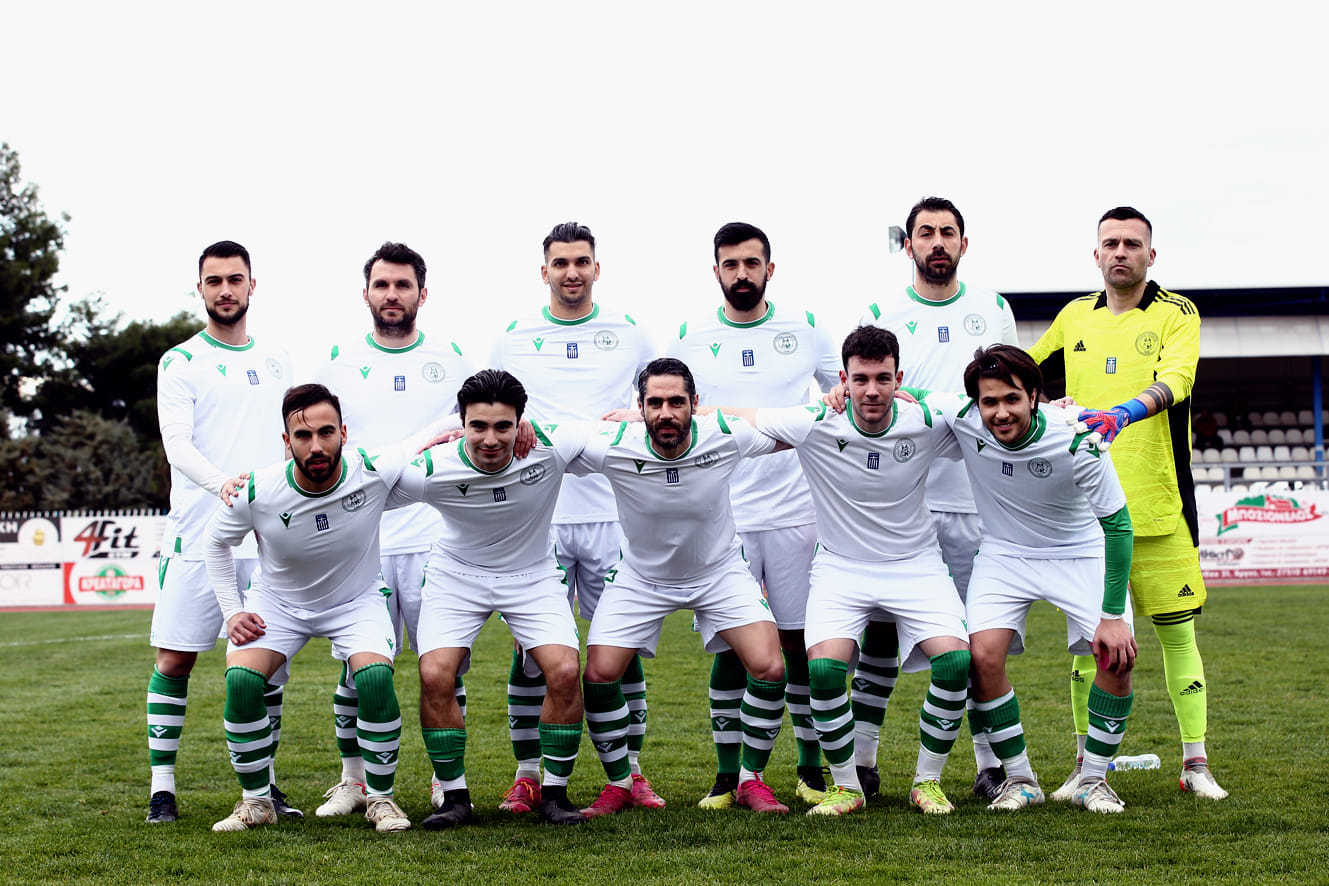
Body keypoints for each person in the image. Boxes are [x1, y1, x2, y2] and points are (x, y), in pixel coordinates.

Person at [1029, 206, 1227, 800]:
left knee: (1177, 638)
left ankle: (1196, 764)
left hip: (1159, 506)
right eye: (1111, 243)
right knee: (1088, 647)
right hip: (1087, 515)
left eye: (1132, 243)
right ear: (1096, 255)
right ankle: (1086, 765)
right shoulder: (1073, 316)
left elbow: (1178, 380)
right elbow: (1020, 374)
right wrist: (1041, 404)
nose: (1121, 252)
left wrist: (1123, 413)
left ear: (1150, 254)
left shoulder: (1177, 312)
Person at [735, 326, 972, 816]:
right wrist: (648, 416)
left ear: (899, 379)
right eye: (860, 379)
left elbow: (993, 404)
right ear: (843, 379)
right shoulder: (817, 419)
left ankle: (927, 782)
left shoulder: (926, 414)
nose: (871, 390)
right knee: (823, 669)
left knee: (954, 663)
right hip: (841, 568)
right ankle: (847, 787)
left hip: (916, 564)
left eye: (883, 378)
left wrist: (1059, 409)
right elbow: (740, 417)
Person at [668, 222, 841, 807]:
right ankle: (727, 775)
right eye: (730, 264)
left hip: (797, 512)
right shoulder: (691, 335)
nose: (741, 273)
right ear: (715, 270)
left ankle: (811, 770)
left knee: (798, 643)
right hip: (725, 516)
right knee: (730, 645)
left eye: (751, 263)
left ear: (770, 268)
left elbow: (843, 394)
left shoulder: (806, 327)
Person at [922, 345, 1137, 813]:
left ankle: (1093, 780)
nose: (1000, 412)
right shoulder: (963, 417)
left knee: (1116, 657)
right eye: (990, 402)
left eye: (1012, 399)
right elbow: (905, 397)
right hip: (1005, 554)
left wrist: (1113, 616)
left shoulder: (1079, 437)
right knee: (982, 657)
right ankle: (1020, 780)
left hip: (1079, 552)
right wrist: (843, 393)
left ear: (1035, 396)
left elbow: (1119, 527)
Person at [853, 197, 1019, 800]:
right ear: (909, 245)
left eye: (948, 232)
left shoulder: (993, 309)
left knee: (976, 641)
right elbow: (868, 394)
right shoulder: (882, 313)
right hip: (905, 504)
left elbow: (1012, 388)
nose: (937, 242)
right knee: (878, 636)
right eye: (926, 233)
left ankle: (988, 765)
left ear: (963, 244)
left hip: (979, 502)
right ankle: (864, 763)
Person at [574, 358, 792, 816]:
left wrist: (843, 401)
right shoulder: (613, 443)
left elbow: (794, 428)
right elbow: (543, 439)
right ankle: (621, 783)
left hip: (718, 572)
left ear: (695, 403)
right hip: (641, 578)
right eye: (654, 403)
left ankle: (751, 780)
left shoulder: (725, 435)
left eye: (677, 402)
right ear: (640, 407)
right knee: (598, 674)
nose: (666, 413)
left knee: (770, 667)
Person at [490, 222, 658, 814]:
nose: (571, 272)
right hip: (540, 518)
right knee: (531, 651)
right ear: (544, 271)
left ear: (596, 268)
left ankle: (631, 773)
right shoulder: (514, 338)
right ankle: (528, 776)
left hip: (615, 514)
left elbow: (665, 399)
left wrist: (638, 414)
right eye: (560, 263)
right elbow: (490, 409)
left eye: (581, 261)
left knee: (621, 649)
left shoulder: (629, 332)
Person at [204, 384, 424, 833]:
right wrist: (232, 611)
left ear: (344, 433)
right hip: (278, 603)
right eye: (303, 436)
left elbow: (431, 436)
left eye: (326, 432)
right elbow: (214, 543)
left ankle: (381, 799)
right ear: (287, 441)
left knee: (375, 677)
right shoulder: (257, 489)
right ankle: (257, 802)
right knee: (242, 681)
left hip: (356, 601)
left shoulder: (372, 469)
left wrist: (515, 425)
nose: (317, 445)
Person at [310, 242, 473, 818]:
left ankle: (443, 780)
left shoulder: (454, 360)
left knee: (442, 667)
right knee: (358, 668)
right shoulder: (337, 364)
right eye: (382, 285)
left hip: (436, 536)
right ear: (366, 294)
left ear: (422, 293)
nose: (392, 295)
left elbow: (479, 430)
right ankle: (354, 782)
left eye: (403, 285)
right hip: (363, 539)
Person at [393, 370, 593, 828]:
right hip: (456, 576)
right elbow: (362, 477)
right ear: (460, 423)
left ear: (521, 422)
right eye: (477, 426)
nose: (490, 439)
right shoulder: (433, 466)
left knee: (565, 671)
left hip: (532, 574)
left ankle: (555, 794)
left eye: (503, 426)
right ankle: (454, 799)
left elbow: (620, 437)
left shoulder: (550, 446)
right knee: (434, 673)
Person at [146, 240, 297, 824]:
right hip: (196, 533)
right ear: (201, 289)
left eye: (235, 279)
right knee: (174, 661)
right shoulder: (180, 361)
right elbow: (177, 444)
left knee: (265, 665)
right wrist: (223, 486)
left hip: (266, 540)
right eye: (215, 281)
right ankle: (162, 788)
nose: (226, 290)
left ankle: (266, 785)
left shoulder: (278, 359)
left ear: (252, 285)